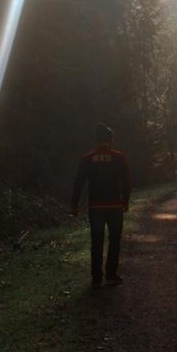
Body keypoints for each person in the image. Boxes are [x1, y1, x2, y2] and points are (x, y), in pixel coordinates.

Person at [72, 123, 131, 288]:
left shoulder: (87, 159)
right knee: (114, 240)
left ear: (97, 140)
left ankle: (96, 278)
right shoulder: (119, 157)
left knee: (96, 241)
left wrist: (74, 205)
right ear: (111, 140)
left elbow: (78, 183)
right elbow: (127, 182)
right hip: (115, 206)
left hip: (95, 207)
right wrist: (125, 201)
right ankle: (111, 275)